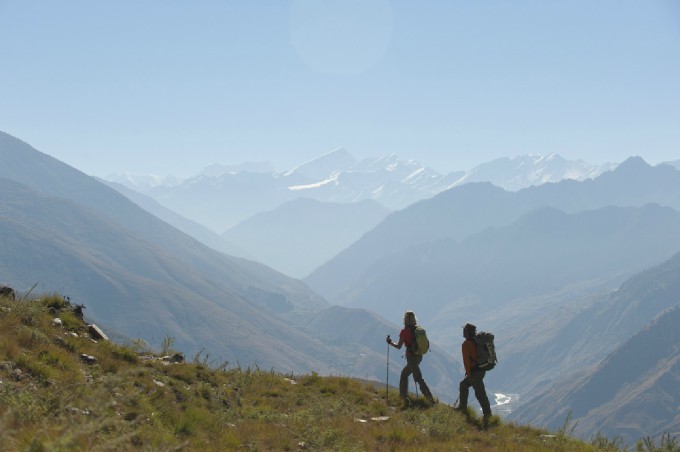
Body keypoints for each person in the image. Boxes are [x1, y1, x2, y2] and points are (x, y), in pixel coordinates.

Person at [386, 310, 435, 406]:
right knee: (404, 374)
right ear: (414, 319)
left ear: (405, 320)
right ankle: (403, 397)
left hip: (411, 357)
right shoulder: (418, 329)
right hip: (419, 356)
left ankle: (430, 399)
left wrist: (390, 342)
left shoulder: (404, 331)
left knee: (418, 378)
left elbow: (399, 346)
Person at [457, 323, 492, 427]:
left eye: (464, 331)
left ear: (467, 332)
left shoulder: (466, 344)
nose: (463, 332)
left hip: (474, 373)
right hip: (481, 370)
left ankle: (488, 416)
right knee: (464, 385)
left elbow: (466, 361)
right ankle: (463, 408)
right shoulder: (477, 341)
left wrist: (468, 374)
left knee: (480, 394)